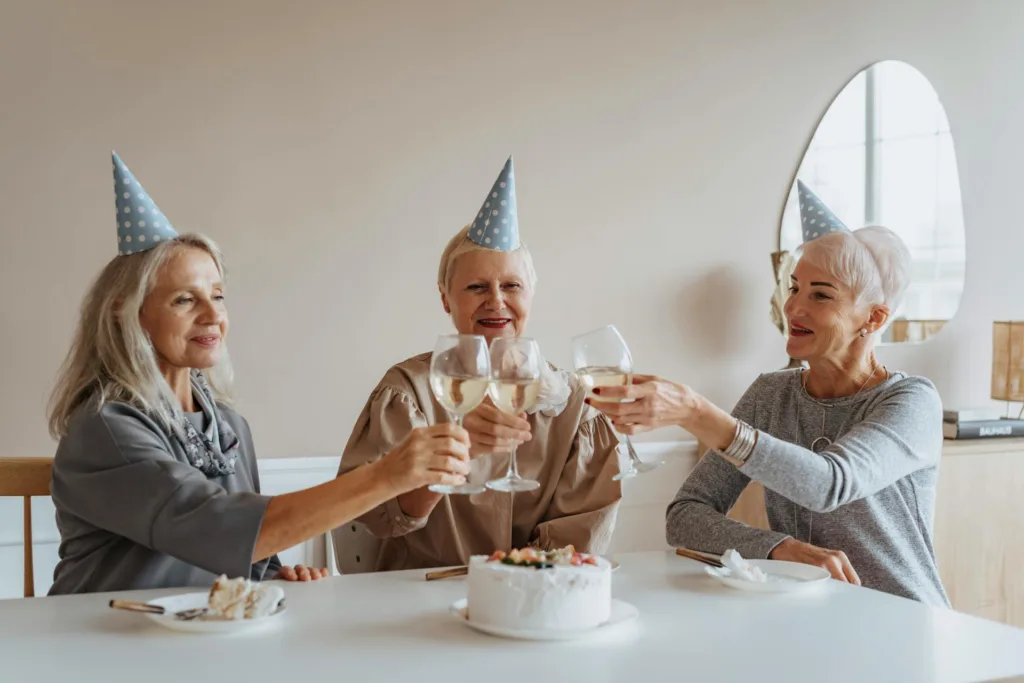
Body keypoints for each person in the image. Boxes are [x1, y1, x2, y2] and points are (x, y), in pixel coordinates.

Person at [47, 153, 470, 594]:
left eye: (218, 295)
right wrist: (387, 474)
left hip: (196, 640)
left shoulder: (229, 425)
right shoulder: (107, 430)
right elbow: (218, 531)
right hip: (105, 640)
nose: (213, 315)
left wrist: (277, 574)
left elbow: (251, 558)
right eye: (184, 301)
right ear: (127, 314)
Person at [586, 182, 949, 606]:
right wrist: (778, 548)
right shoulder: (770, 395)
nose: (794, 307)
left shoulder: (911, 402)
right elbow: (685, 516)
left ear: (874, 317)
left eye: (821, 295)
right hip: (809, 622)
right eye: (794, 287)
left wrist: (696, 412)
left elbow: (828, 483)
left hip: (902, 621)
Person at [337, 156, 622, 571]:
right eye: (476, 287)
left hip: (532, 598)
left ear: (530, 296)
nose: (496, 300)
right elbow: (379, 517)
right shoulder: (406, 393)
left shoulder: (575, 406)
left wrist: (506, 587)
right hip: (417, 598)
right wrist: (454, 449)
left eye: (511, 285)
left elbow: (576, 542)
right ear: (445, 298)